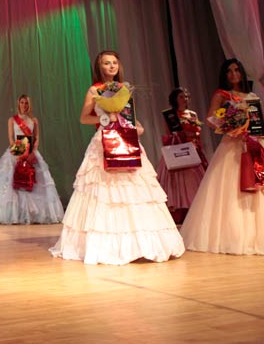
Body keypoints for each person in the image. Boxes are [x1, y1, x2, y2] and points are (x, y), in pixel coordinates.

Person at [49, 50, 184, 265]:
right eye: (106, 63)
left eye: (114, 62)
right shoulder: (94, 90)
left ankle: (140, 244)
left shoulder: (124, 89)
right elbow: (84, 118)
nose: (111, 66)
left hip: (127, 139)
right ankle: (107, 244)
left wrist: (137, 126)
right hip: (105, 140)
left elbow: (130, 116)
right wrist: (106, 117)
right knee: (105, 191)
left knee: (134, 189)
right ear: (99, 67)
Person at [180, 59, 264, 254]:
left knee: (257, 184)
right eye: (229, 71)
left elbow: (257, 120)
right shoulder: (222, 94)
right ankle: (232, 235)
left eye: (237, 70)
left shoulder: (252, 96)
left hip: (253, 143)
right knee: (231, 187)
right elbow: (210, 119)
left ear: (242, 73)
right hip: (232, 146)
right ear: (225, 75)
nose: (234, 74)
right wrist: (230, 126)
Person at [0, 94, 64, 224]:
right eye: (22, 102)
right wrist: (17, 152)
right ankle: (15, 214)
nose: (24, 105)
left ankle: (32, 214)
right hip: (16, 151)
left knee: (34, 181)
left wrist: (32, 153)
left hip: (31, 152)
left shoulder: (34, 120)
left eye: (26, 103)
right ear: (18, 104)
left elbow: (36, 138)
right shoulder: (12, 120)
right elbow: (11, 138)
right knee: (13, 182)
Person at [155, 88, 207, 224]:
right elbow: (168, 133)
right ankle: (179, 211)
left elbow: (198, 133)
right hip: (178, 150)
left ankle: (196, 211)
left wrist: (195, 138)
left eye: (186, 97)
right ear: (175, 99)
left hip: (192, 149)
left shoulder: (193, 114)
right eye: (181, 97)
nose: (185, 99)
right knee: (176, 182)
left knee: (193, 182)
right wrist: (182, 135)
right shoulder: (170, 114)